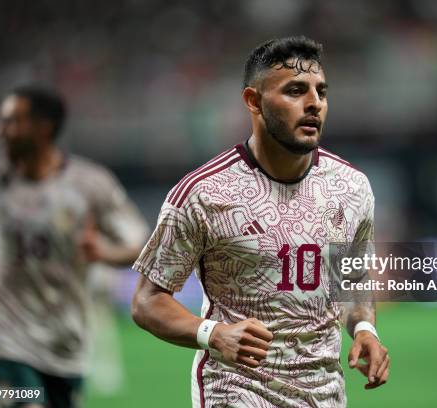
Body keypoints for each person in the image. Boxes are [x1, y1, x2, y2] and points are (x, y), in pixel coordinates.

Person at [131, 36, 389, 408]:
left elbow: (350, 279)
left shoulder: (352, 187)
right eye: (296, 90)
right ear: (254, 101)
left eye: (321, 91)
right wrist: (212, 333)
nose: (314, 103)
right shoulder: (204, 194)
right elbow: (147, 299)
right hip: (235, 391)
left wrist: (365, 329)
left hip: (326, 394)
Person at [0, 85, 148, 407]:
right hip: (2, 340)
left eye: (11, 122)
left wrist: (103, 253)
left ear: (43, 128)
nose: (0, 132)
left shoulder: (89, 184)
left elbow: (139, 244)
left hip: (67, 343)